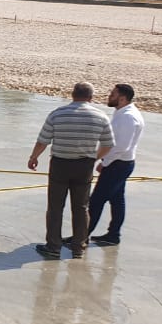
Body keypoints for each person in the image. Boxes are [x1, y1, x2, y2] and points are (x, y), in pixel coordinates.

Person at [28, 81, 113, 259]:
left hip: (60, 164)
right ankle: (78, 247)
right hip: (84, 166)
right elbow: (108, 144)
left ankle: (53, 246)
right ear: (91, 97)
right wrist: (94, 158)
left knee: (55, 207)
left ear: (73, 95)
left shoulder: (58, 114)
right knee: (81, 207)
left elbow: (43, 140)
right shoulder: (101, 116)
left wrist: (34, 157)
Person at [70, 83, 144, 248]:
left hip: (118, 164)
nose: (109, 96)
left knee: (96, 201)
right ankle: (113, 235)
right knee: (117, 200)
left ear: (122, 98)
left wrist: (104, 161)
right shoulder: (123, 112)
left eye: (113, 94)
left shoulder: (128, 117)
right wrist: (105, 161)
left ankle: (81, 237)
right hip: (120, 163)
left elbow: (121, 146)